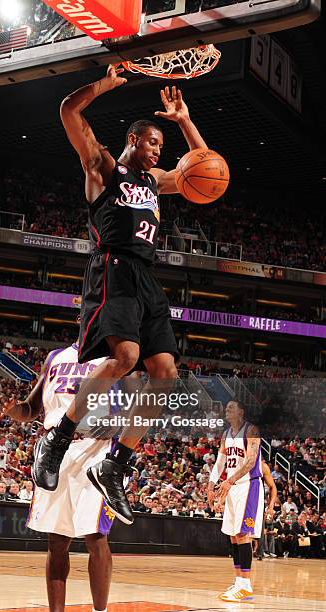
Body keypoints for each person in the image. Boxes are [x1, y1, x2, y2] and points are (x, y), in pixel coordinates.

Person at [34, 65, 208, 524]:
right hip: (111, 266)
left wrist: (184, 121)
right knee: (126, 357)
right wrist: (105, 86)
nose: (158, 151)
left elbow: (204, 169)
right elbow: (68, 109)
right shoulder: (104, 166)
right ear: (133, 139)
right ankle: (57, 438)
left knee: (166, 374)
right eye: (153, 142)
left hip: (145, 277)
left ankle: (116, 464)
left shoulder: (155, 182)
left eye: (161, 146)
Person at [4, 342, 119, 612]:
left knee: (95, 536)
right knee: (57, 541)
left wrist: (116, 424)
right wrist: (13, 410)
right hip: (56, 449)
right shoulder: (56, 356)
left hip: (94, 450)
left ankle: (99, 611)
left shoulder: (117, 357)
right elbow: (31, 409)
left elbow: (134, 409)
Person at [207, 401, 263, 603]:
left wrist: (229, 481)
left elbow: (250, 461)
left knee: (242, 533)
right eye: (226, 408)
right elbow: (220, 462)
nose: (226, 410)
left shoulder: (252, 430)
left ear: (241, 411)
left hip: (248, 485)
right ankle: (239, 581)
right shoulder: (226, 434)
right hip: (231, 486)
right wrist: (211, 484)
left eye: (231, 407)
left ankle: (246, 585)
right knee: (232, 535)